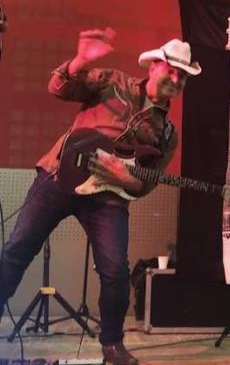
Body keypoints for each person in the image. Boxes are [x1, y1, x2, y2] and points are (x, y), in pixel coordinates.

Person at [0, 28, 201, 365]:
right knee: (16, 251)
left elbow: (147, 183)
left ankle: (112, 345)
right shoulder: (114, 81)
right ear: (154, 66)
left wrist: (125, 178)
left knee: (115, 271)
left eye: (183, 75)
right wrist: (81, 60)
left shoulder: (167, 134)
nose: (176, 78)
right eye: (171, 69)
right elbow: (59, 88)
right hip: (57, 177)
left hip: (108, 198)